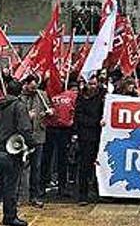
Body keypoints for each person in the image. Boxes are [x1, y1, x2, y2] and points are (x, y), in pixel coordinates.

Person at [0, 80, 33, 226]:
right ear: (19, 91)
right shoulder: (19, 106)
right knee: (11, 186)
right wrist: (31, 144)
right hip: (12, 152)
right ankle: (10, 217)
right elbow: (24, 128)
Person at [20, 74, 51, 207]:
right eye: (31, 87)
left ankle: (34, 196)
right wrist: (28, 116)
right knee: (20, 167)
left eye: (35, 87)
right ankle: (19, 196)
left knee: (36, 167)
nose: (34, 90)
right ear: (26, 85)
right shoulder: (19, 97)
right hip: (22, 138)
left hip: (38, 135)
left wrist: (49, 112)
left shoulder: (42, 95)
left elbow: (49, 107)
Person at [42, 80, 78, 197]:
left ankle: (62, 187)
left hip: (65, 130)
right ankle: (42, 185)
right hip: (50, 128)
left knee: (63, 158)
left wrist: (73, 128)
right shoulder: (46, 94)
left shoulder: (71, 95)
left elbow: (75, 111)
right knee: (46, 158)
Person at [73, 74, 104, 205]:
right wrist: (96, 122)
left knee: (100, 165)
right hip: (86, 137)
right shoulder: (81, 98)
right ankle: (83, 195)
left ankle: (100, 192)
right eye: (90, 84)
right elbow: (79, 118)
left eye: (94, 84)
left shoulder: (101, 97)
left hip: (100, 136)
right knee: (85, 166)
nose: (92, 86)